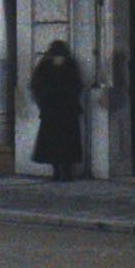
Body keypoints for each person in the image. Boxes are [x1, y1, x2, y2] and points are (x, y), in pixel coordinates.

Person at [30, 39, 84, 182]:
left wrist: (43, 102)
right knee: (68, 142)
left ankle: (56, 171)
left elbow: (36, 85)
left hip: (51, 110)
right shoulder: (70, 64)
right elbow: (77, 85)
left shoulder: (45, 64)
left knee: (51, 142)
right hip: (68, 111)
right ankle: (66, 172)